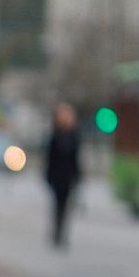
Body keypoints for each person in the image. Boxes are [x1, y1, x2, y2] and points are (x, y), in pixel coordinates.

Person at [44, 101, 82, 248]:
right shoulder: (55, 134)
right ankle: (56, 233)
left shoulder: (74, 134)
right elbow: (49, 156)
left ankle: (61, 234)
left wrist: (78, 176)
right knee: (57, 205)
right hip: (56, 175)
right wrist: (48, 175)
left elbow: (76, 158)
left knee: (66, 206)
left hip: (68, 176)